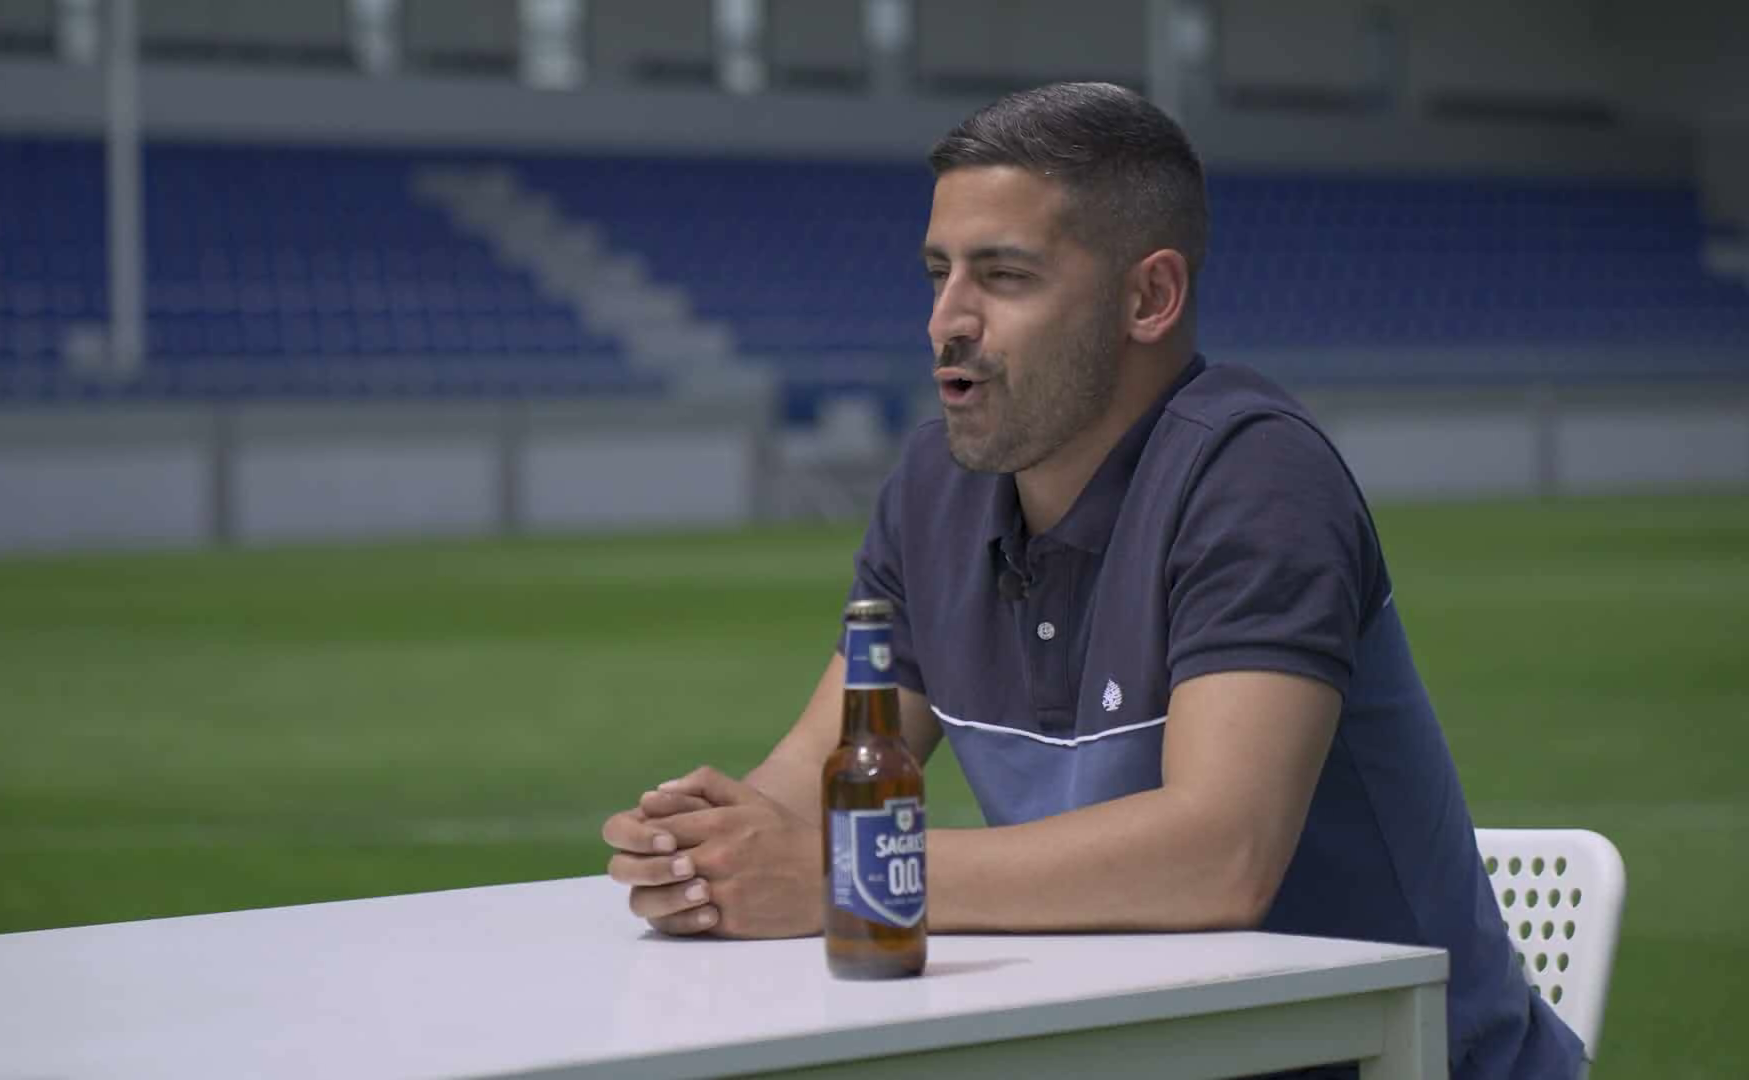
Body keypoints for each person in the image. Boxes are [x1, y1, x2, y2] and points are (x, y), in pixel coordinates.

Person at [600, 82, 1585, 1079]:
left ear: (1149, 298)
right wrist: (701, 849)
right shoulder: (934, 489)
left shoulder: (1256, 477)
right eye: (939, 273)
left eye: (1004, 276)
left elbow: (1221, 855)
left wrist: (844, 875)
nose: (946, 320)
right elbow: (817, 781)